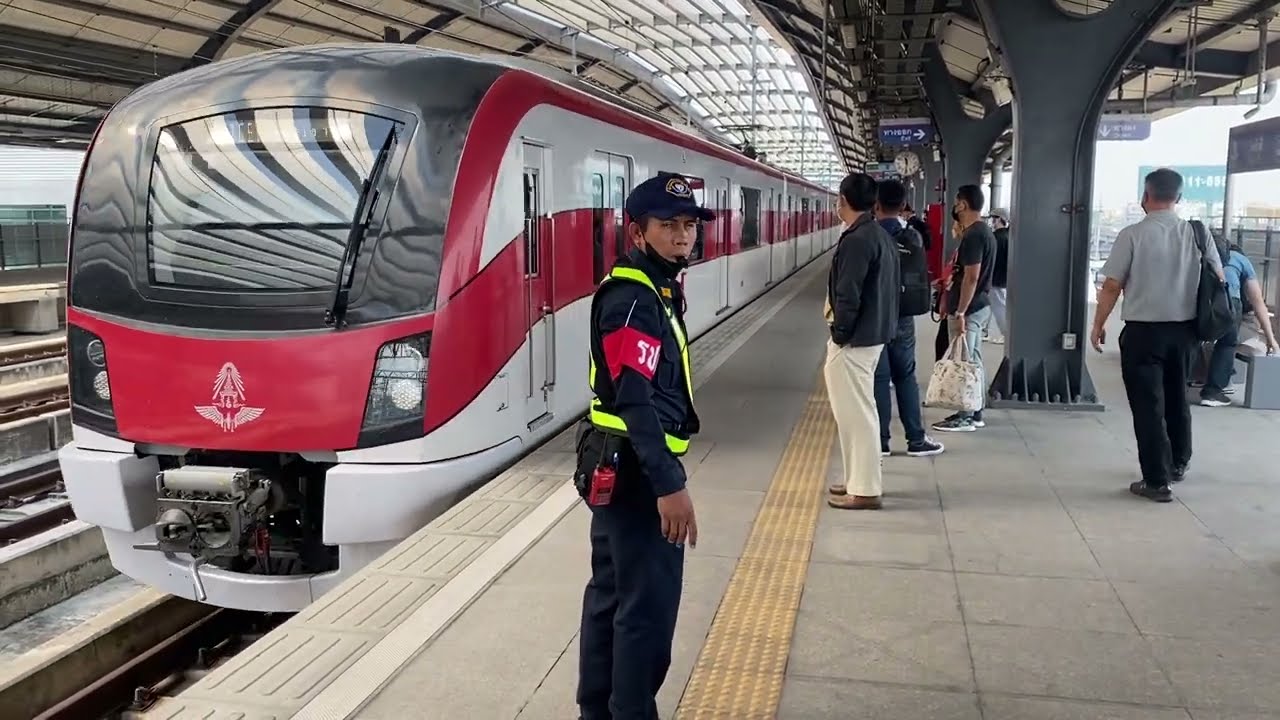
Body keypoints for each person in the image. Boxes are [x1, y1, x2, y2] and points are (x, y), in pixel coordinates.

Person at [574, 172, 707, 719]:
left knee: (611, 600)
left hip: (621, 465)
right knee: (645, 614)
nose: (682, 236)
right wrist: (669, 485)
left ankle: (597, 712)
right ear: (637, 232)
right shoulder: (634, 299)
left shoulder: (654, 289)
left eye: (689, 224)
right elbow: (635, 399)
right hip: (637, 474)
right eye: (668, 225)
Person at [1090, 167, 1223, 503]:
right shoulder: (1197, 233)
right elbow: (1218, 277)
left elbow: (1112, 285)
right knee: (1177, 397)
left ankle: (1156, 480)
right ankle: (1178, 462)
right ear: (1179, 197)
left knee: (1148, 406)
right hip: (1185, 332)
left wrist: (1098, 323)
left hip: (1143, 334)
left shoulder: (1132, 235)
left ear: (1145, 196)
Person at [824, 172, 900, 510]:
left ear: (843, 200)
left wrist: (840, 333)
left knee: (857, 415)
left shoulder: (857, 239)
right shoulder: (877, 234)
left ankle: (866, 490)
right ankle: (856, 478)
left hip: (856, 339)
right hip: (872, 335)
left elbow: (848, 293)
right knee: (855, 412)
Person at [870, 179, 945, 458]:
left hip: (875, 318)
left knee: (879, 379)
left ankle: (880, 441)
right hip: (903, 317)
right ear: (903, 205)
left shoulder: (868, 236)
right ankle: (916, 439)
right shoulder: (912, 236)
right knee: (905, 377)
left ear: (875, 205)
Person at [932, 185, 997, 433]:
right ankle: (974, 409)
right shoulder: (984, 232)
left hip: (969, 309)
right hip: (979, 305)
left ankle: (966, 415)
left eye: (957, 201)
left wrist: (960, 312)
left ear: (963, 205)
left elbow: (972, 277)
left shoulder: (974, 235)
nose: (954, 206)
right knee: (973, 359)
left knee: (964, 361)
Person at [1200, 238, 1278, 406]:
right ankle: (1213, 393)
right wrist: (1271, 339)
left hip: (1198, 302)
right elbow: (1258, 302)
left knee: (1193, 341)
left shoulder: (1198, 255)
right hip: (1229, 304)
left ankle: (1188, 382)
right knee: (1227, 343)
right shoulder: (1240, 259)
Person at [987, 208, 1011, 343]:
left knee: (999, 307)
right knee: (991, 306)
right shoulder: (1008, 236)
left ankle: (1006, 334)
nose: (991, 221)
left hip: (995, 278)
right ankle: (985, 330)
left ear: (999, 219)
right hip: (1003, 278)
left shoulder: (996, 238)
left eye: (993, 218)